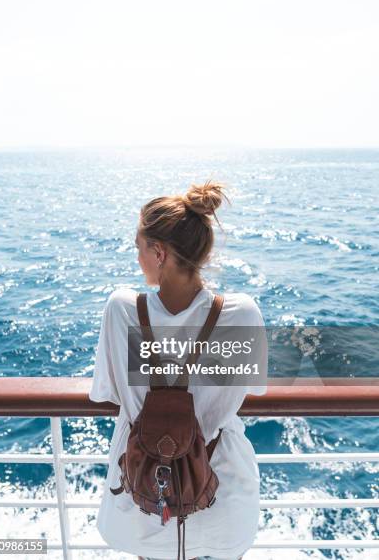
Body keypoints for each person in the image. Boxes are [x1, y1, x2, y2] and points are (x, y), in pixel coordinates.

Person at [89, 180, 268, 560]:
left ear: (159, 253)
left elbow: (108, 392)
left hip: (145, 500)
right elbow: (255, 388)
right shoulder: (243, 313)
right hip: (222, 496)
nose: (137, 258)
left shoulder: (121, 310)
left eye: (139, 248)